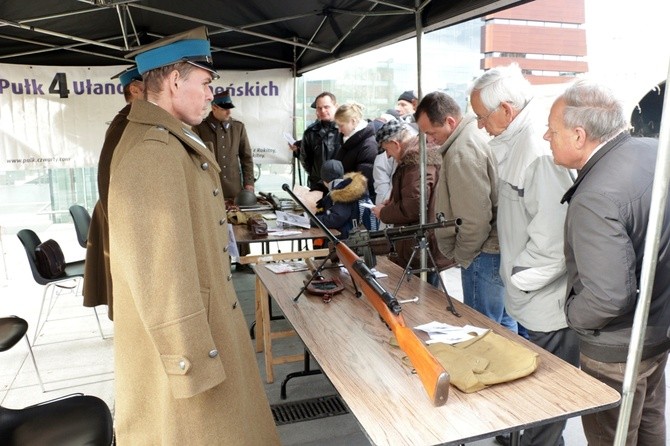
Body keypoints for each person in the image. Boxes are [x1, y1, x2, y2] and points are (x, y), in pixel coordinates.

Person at [107, 27, 280, 445]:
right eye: (205, 83)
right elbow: (160, 275)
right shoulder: (154, 150)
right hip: (194, 351)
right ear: (173, 81)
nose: (210, 94)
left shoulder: (170, 139)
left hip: (208, 329)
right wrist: (189, 364)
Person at [546, 79, 670, 446]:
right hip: (657, 328)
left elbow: (607, 297)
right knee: (650, 418)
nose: (545, 137)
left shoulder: (596, 196)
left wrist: (572, 315)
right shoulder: (653, 151)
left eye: (553, 131)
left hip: (616, 346)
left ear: (579, 136)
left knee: (612, 436)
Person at [469, 63, 577, 446]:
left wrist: (518, 282)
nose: (479, 125)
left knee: (547, 402)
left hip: (545, 302)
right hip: (533, 298)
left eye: (482, 117)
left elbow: (553, 240)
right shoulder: (517, 141)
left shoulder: (536, 149)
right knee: (537, 394)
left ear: (507, 110)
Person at [415, 91, 519, 333]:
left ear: (450, 122)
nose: (429, 140)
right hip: (488, 250)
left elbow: (474, 220)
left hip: (481, 254)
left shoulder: (462, 152)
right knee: (502, 324)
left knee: (483, 329)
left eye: (431, 133)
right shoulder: (467, 140)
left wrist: (463, 255)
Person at [83, 65, 144, 319]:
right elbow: (106, 175)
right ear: (136, 88)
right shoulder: (127, 122)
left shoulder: (135, 119)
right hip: (119, 215)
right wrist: (122, 226)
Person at [372, 120, 454, 286]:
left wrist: (383, 213)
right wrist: (394, 200)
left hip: (421, 244)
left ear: (395, 144)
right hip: (427, 240)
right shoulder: (420, 158)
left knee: (423, 296)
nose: (388, 156)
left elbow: (413, 207)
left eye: (387, 150)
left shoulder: (415, 164)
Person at [193, 90, 254, 272]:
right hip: (211, 185)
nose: (229, 112)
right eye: (225, 109)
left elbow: (246, 157)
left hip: (235, 187)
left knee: (240, 223)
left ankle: (244, 261)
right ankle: (222, 264)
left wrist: (249, 183)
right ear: (214, 107)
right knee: (216, 225)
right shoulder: (200, 128)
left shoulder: (238, 127)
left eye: (230, 108)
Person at [293, 92, 341, 195]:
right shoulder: (310, 132)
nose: (322, 111)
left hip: (342, 187)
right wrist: (316, 176)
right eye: (319, 108)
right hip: (317, 186)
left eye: (326, 107)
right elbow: (305, 159)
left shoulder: (345, 129)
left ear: (336, 106)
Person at [314, 159, 375, 239]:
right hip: (359, 237)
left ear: (325, 181)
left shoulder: (342, 193)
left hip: (348, 241)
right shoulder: (350, 186)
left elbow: (336, 219)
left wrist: (311, 220)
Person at [333, 102, 378, 202]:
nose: (339, 130)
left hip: (355, 202)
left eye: (341, 126)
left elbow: (362, 183)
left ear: (353, 121)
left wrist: (335, 194)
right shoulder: (347, 140)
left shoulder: (368, 146)